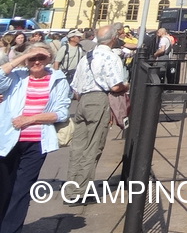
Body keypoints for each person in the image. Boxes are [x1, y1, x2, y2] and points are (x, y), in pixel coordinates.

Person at [0, 43, 71, 232]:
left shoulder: (57, 79)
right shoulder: (16, 76)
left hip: (36, 143)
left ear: (49, 59)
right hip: (7, 141)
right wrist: (23, 57)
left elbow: (62, 113)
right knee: (4, 189)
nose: (37, 62)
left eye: (41, 58)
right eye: (33, 58)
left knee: (22, 190)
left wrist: (30, 119)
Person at [66, 24, 127, 201]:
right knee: (93, 146)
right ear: (114, 38)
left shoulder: (87, 56)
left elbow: (75, 87)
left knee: (78, 147)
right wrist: (126, 86)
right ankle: (80, 192)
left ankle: (71, 189)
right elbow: (115, 86)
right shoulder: (111, 57)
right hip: (99, 99)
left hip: (83, 101)